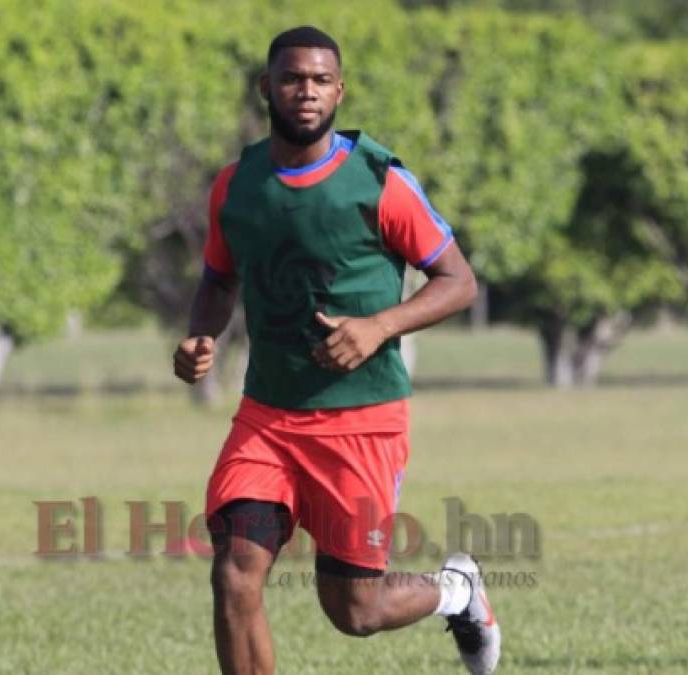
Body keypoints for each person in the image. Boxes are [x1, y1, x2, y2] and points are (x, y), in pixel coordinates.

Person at [173, 26, 500, 675]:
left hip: (362, 422)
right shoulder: (235, 186)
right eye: (293, 78)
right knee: (235, 576)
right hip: (266, 419)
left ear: (339, 90)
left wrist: (379, 326)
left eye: (321, 80)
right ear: (267, 87)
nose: (306, 91)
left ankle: (458, 591)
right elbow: (219, 276)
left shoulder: (379, 182)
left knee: (356, 612)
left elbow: (458, 282)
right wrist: (199, 335)